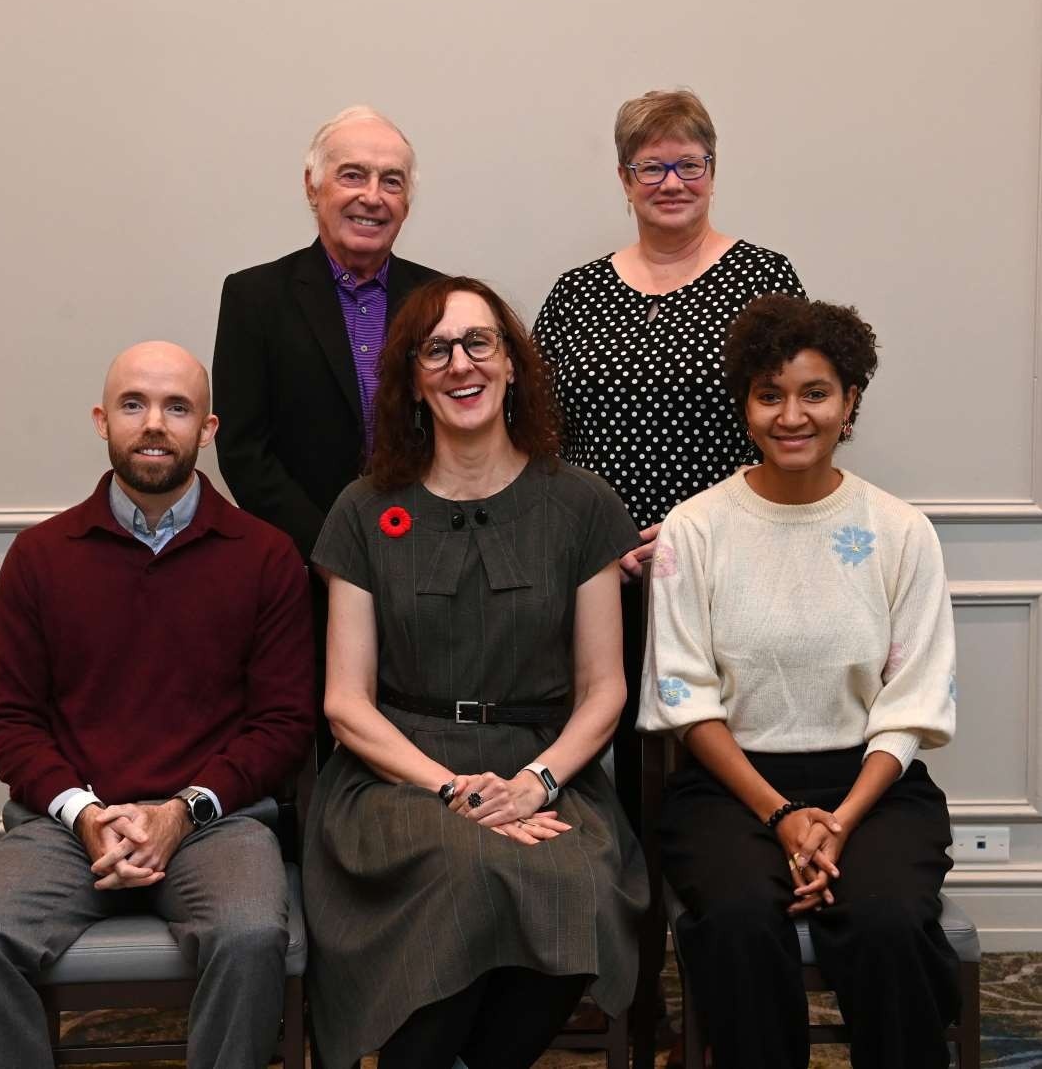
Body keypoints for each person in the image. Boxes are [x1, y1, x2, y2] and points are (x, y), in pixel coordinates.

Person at [0, 341, 316, 1069]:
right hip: (68, 823)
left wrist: (180, 811)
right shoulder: (40, 556)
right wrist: (86, 814)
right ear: (102, 420)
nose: (154, 424)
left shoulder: (265, 556)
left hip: (215, 822)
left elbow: (283, 724)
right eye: (134, 405)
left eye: (177, 408)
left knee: (249, 937)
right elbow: (8, 721)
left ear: (208, 430)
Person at [302, 276, 649, 1069]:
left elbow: (604, 690)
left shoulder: (583, 505)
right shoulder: (362, 510)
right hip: (395, 777)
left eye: (479, 343)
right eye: (437, 349)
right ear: (414, 382)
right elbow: (347, 705)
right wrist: (451, 790)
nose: (461, 364)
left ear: (513, 365)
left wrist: (535, 782)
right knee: (465, 866)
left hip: (542, 764)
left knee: (581, 887)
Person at [638, 294, 959, 1069]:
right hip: (728, 788)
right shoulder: (695, 527)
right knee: (743, 920)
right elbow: (684, 695)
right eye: (768, 394)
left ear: (849, 404)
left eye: (814, 393)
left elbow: (911, 702)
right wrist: (782, 815)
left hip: (871, 787)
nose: (791, 415)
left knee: (884, 920)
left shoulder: (899, 531)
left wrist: (837, 820)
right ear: (745, 405)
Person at [533, 88, 805, 824]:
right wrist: (598, 540)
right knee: (604, 739)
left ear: (713, 171)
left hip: (731, 557)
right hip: (597, 566)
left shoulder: (764, 282)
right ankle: (623, 902)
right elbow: (537, 433)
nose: (672, 184)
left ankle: (718, 897)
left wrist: (690, 531)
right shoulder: (576, 293)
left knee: (724, 741)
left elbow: (793, 425)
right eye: (651, 168)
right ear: (623, 181)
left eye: (689, 164)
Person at [212, 104, 441, 562]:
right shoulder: (254, 297)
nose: (373, 197)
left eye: (391, 181)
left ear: (407, 204)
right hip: (305, 569)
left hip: (430, 560)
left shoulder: (440, 299)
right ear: (312, 187)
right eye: (353, 175)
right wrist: (331, 554)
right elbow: (244, 452)